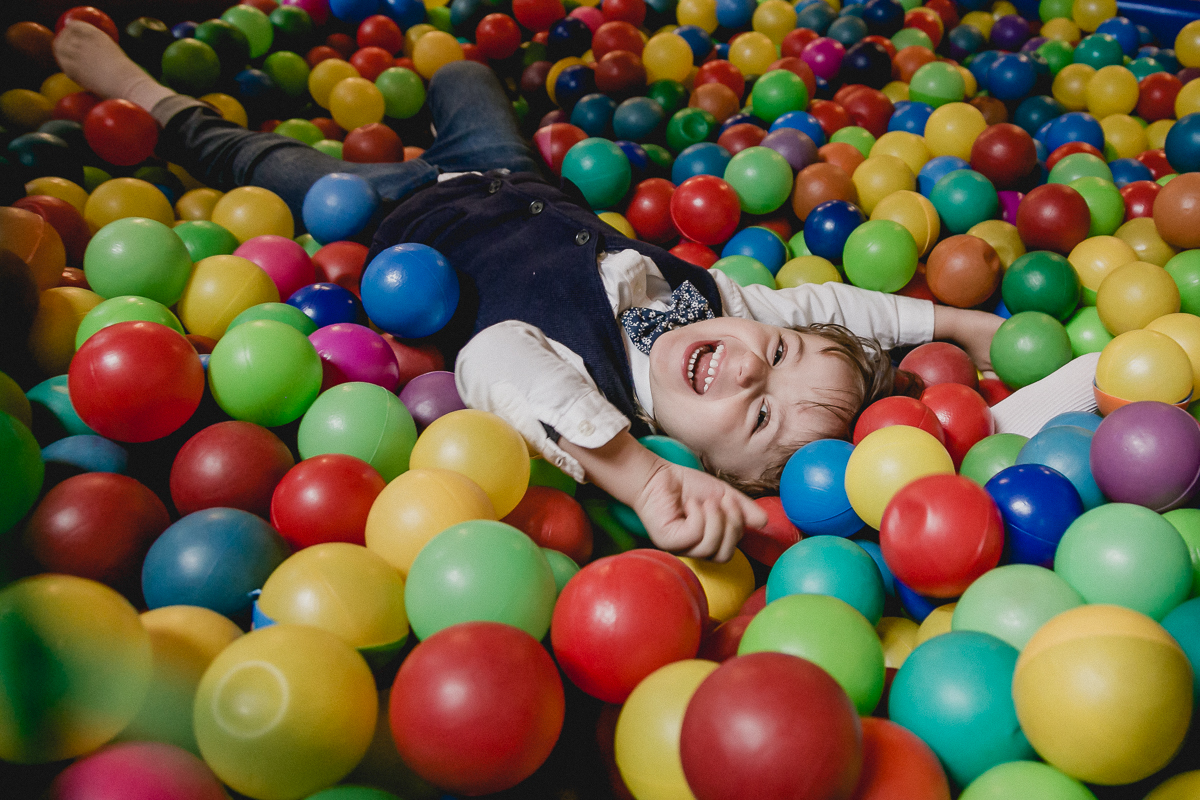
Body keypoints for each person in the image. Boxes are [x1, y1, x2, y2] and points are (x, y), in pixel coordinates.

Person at [53, 21, 1098, 563]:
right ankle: (426, 68)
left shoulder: (595, 390)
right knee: (462, 75)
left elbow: (490, 360)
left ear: (722, 465)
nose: (749, 364)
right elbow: (835, 310)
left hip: (386, 213)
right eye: (774, 352)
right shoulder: (719, 307)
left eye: (762, 416)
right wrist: (963, 320)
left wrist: (638, 476)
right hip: (512, 174)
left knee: (253, 159)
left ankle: (145, 94)